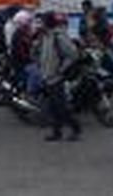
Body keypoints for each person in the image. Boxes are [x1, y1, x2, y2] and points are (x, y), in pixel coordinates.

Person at [39, 11, 81, 142]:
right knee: (53, 107)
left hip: (56, 77)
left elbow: (73, 54)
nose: (40, 24)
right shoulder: (46, 36)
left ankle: (75, 128)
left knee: (61, 107)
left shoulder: (58, 36)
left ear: (48, 23)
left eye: (42, 21)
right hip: (48, 76)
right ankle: (56, 132)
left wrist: (61, 69)